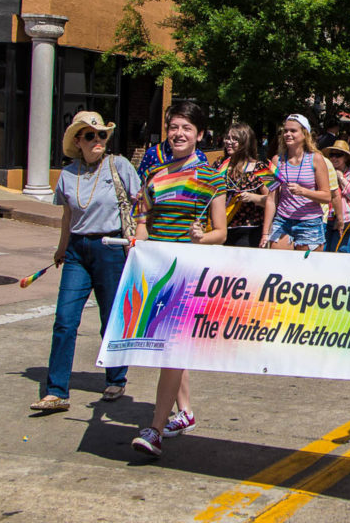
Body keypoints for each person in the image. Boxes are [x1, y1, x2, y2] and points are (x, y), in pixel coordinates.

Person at [131, 102, 227, 457]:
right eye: (174, 127)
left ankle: (155, 429)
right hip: (155, 272)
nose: (179, 134)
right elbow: (143, 219)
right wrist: (138, 242)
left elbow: (222, 232)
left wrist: (203, 238)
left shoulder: (212, 178)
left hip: (189, 273)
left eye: (187, 128)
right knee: (169, 348)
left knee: (171, 347)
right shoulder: (154, 174)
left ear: (200, 135)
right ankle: (184, 412)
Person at [31, 112, 140, 412]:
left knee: (111, 319)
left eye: (101, 135)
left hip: (111, 247)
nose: (97, 141)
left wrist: (139, 242)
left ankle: (116, 378)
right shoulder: (68, 175)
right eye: (90, 136)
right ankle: (56, 391)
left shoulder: (119, 166)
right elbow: (68, 215)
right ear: (78, 141)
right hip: (78, 251)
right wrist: (61, 248)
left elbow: (140, 203)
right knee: (65, 320)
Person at [261, 114, 331, 251]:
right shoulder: (276, 160)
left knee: (306, 270)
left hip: (310, 222)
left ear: (305, 134)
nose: (288, 134)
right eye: (285, 131)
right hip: (282, 220)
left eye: (293, 131)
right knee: (280, 267)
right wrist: (265, 232)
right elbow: (271, 198)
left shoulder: (316, 159)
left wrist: (303, 191)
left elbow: (327, 196)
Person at [215, 123, 270, 247]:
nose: (229, 142)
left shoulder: (261, 168)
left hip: (249, 230)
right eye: (227, 138)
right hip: (222, 228)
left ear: (245, 142)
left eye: (235, 139)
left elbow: (274, 200)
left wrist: (253, 198)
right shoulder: (219, 165)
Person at [322, 140, 350, 253]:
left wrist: (341, 178)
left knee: (340, 252)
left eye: (338, 155)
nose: (334, 158)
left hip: (348, 219)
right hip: (329, 218)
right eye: (332, 155)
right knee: (325, 252)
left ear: (345, 157)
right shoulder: (326, 172)